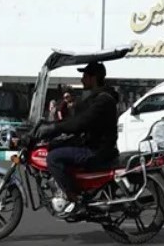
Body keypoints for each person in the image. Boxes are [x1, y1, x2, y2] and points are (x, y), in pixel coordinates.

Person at [38, 62, 120, 217]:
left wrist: (55, 129)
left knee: (53, 158)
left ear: (93, 78)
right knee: (55, 147)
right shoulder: (96, 98)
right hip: (94, 145)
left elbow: (81, 122)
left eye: (85, 77)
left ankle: (74, 200)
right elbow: (75, 120)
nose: (82, 80)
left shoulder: (103, 100)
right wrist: (51, 126)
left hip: (97, 150)